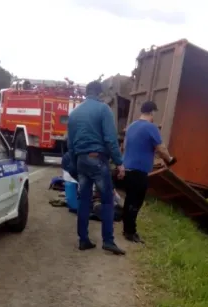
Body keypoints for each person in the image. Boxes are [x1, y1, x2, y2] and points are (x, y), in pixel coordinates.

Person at [67, 80, 126, 255]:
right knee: (107, 200)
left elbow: (70, 143)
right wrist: (119, 162)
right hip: (97, 159)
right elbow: (110, 139)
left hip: (81, 160)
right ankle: (108, 241)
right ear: (100, 94)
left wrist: (75, 162)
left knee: (84, 200)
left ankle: (83, 240)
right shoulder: (103, 109)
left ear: (86, 93)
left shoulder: (74, 113)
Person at [122, 101, 176, 243]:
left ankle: (126, 229)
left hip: (127, 169)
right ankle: (130, 232)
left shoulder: (131, 126)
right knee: (136, 202)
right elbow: (161, 149)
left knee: (129, 200)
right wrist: (169, 159)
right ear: (152, 112)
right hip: (139, 171)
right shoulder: (151, 128)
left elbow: (126, 146)